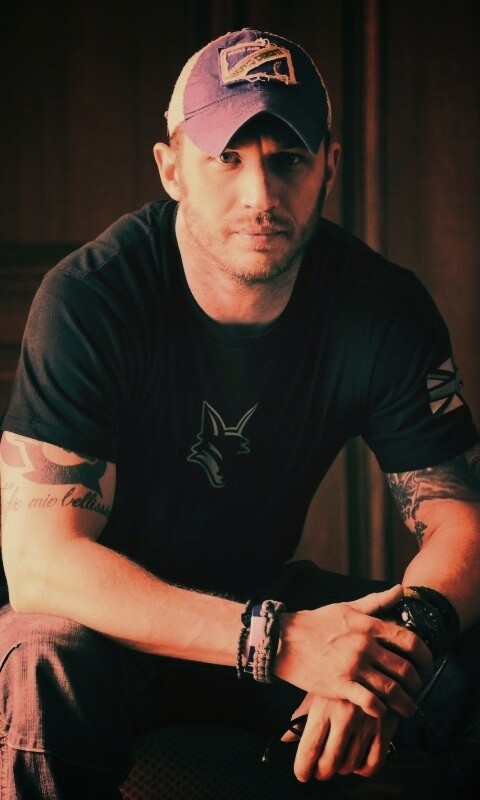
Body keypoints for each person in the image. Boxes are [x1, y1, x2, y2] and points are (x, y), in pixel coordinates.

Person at [0, 26, 479, 800]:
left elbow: (461, 521)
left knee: (458, 650)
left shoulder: (382, 307)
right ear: (171, 169)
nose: (260, 196)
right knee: (43, 653)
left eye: (288, 159)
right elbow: (40, 565)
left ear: (329, 166)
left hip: (266, 593)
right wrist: (282, 641)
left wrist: (389, 648)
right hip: (109, 627)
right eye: (227, 158)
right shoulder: (91, 298)